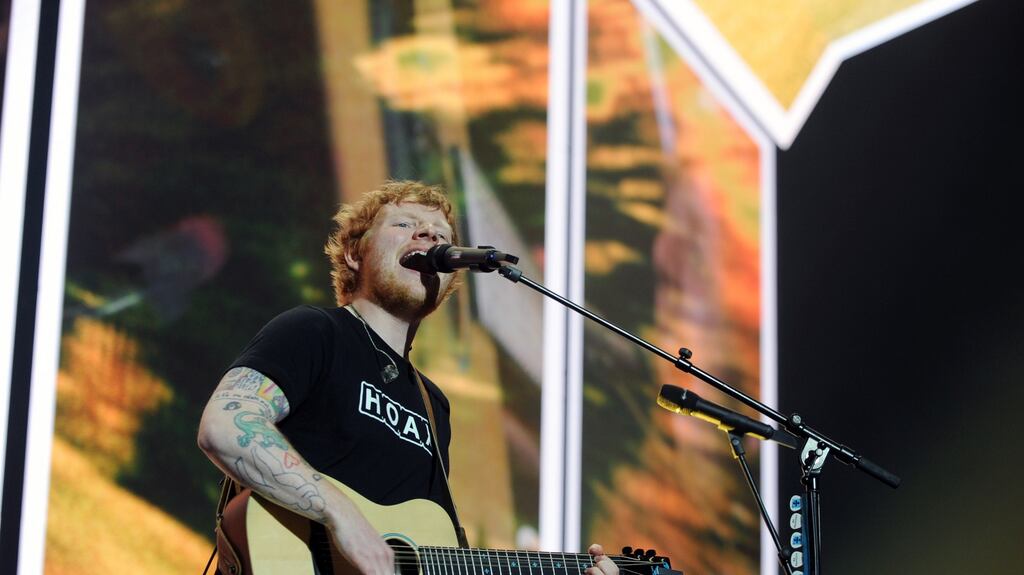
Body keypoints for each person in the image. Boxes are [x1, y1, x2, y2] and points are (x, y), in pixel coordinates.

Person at [197, 181, 619, 575]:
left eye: (441, 234)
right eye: (405, 225)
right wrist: (343, 517)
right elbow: (226, 426)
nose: (430, 238)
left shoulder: (433, 407)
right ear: (354, 255)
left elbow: (427, 549)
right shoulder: (316, 331)